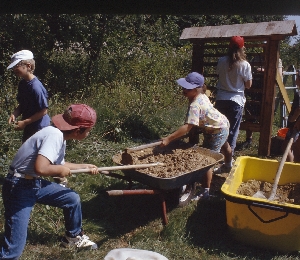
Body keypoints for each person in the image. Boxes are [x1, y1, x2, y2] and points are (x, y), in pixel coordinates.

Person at [0, 104, 99, 259]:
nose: (89, 133)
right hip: (18, 187)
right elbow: (41, 167)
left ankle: (73, 238)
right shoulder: (54, 136)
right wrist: (60, 171)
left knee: (71, 198)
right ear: (78, 130)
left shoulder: (59, 135)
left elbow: (58, 164)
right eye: (88, 130)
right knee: (14, 249)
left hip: (32, 184)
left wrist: (84, 166)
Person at [160, 72, 232, 200]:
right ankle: (228, 164)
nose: (183, 90)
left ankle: (205, 192)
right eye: (183, 87)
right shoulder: (202, 95)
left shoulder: (195, 104)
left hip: (217, 131)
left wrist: (168, 139)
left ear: (196, 89)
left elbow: (188, 127)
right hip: (223, 123)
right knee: (225, 145)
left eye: (187, 88)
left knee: (207, 160)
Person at [214, 36, 252, 159]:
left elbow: (218, 74)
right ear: (242, 48)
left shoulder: (221, 61)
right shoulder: (245, 65)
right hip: (236, 100)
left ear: (229, 47)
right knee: (232, 132)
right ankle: (228, 160)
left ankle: (217, 155)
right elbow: (248, 85)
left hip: (221, 99)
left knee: (220, 129)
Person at [238, 57, 283, 150]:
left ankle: (265, 142)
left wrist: (264, 71)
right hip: (254, 91)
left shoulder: (277, 60)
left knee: (266, 116)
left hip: (267, 92)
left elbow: (279, 76)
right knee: (250, 115)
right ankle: (248, 139)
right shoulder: (255, 59)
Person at [7, 50, 50, 143]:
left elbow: (43, 111)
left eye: (16, 66)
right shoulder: (22, 84)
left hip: (40, 128)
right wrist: (15, 114)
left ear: (28, 66)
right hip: (29, 128)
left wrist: (25, 122)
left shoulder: (36, 87)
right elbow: (23, 104)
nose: (14, 69)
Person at [284, 69, 300, 162]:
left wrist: (293, 120)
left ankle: (291, 167)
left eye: (297, 77)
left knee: (287, 146)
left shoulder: (299, 94)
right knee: (296, 147)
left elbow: (299, 109)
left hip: (296, 124)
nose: (296, 79)